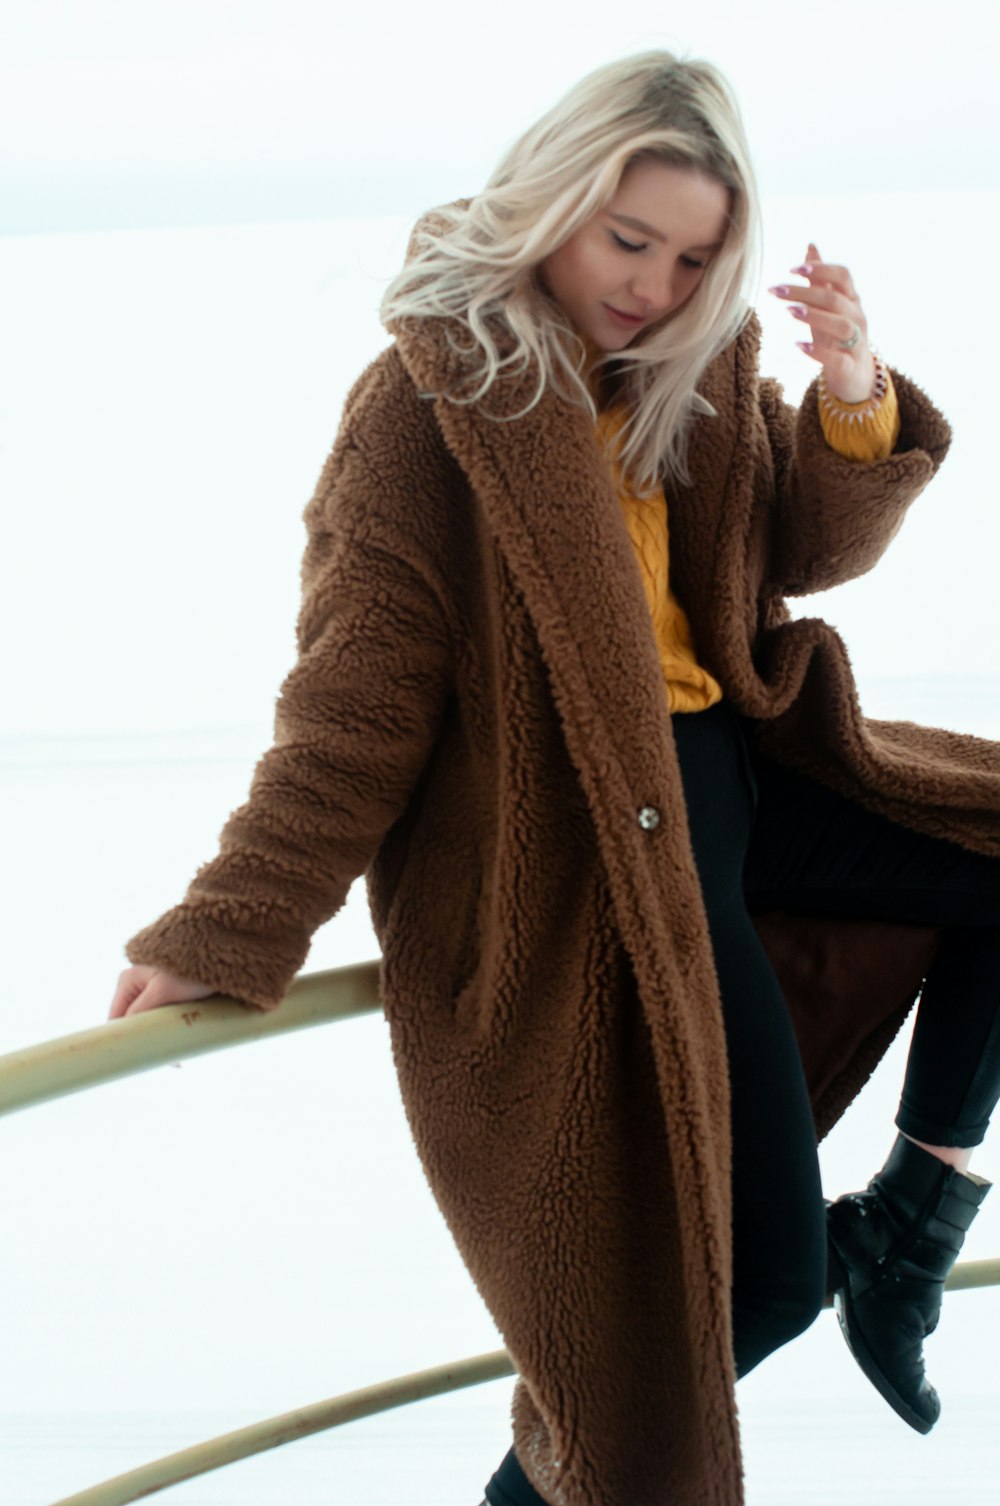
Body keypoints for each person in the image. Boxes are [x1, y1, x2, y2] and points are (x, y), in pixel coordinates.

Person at [107, 51, 1000, 1506]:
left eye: (695, 255)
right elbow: (352, 703)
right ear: (555, 198)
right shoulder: (428, 406)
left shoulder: (691, 369)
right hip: (591, 849)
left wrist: (850, 393)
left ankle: (910, 1220)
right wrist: (229, 922)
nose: (651, 282)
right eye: (626, 238)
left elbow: (793, 550)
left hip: (738, 782)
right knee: (745, 1294)